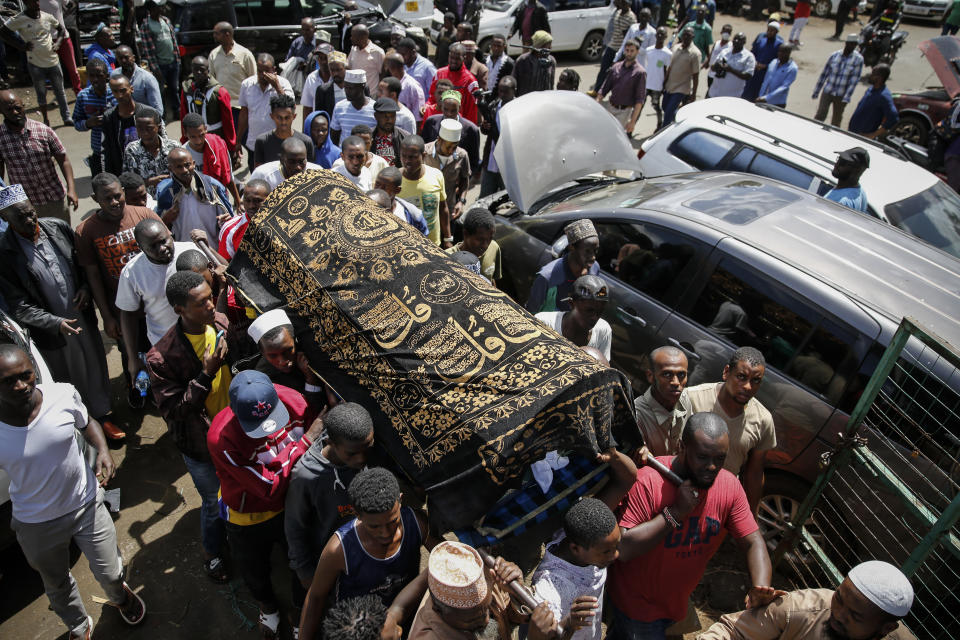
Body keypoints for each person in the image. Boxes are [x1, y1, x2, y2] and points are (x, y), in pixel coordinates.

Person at [0, 345, 146, 640]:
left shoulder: (61, 395)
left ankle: (120, 597)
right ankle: (79, 626)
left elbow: (87, 421)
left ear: (34, 370)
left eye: (26, 375)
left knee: (111, 572)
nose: (20, 386)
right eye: (7, 381)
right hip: (36, 523)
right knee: (55, 584)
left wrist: (102, 449)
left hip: (86, 504)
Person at [607, 413, 773, 639]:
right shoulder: (649, 481)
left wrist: (761, 587)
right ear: (682, 446)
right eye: (702, 457)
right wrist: (675, 513)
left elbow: (753, 541)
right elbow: (622, 549)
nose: (712, 466)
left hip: (676, 603)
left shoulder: (729, 486)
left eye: (720, 459)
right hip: (638, 606)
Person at [208, 369, 326, 640]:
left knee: (299, 562)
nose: (267, 432)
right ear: (235, 412)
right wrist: (305, 441)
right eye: (255, 425)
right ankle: (268, 607)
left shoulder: (295, 402)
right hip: (246, 515)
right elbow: (268, 488)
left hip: (291, 505)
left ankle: (299, 613)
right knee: (253, 568)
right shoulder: (221, 437)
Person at [0, 183, 122, 438]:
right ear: (5, 219)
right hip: (49, 328)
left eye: (31, 212)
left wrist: (87, 288)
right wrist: (53, 322)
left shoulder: (56, 227)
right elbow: (18, 305)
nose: (30, 219)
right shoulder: (5, 253)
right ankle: (80, 423)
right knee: (65, 374)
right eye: (20, 217)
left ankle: (103, 416)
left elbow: (85, 265)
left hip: (80, 313)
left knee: (94, 364)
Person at [145, 270, 234, 583]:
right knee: (214, 503)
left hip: (234, 433)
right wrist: (207, 374)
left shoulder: (220, 323)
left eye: (210, 297)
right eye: (201, 303)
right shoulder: (161, 358)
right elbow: (177, 412)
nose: (211, 306)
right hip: (201, 445)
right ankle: (212, 555)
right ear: (179, 309)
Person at [299, 467, 439, 640]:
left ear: (400, 500)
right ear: (357, 514)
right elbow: (315, 598)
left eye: (392, 521)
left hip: (402, 620)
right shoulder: (339, 550)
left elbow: (448, 556)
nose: (385, 532)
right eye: (374, 526)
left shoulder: (417, 524)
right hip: (359, 631)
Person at [530, 448, 638, 640]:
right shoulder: (550, 588)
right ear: (575, 549)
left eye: (615, 547)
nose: (615, 555)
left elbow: (626, 479)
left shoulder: (590, 528)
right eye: (606, 552)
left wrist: (614, 455)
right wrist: (568, 624)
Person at [75, 173, 162, 404]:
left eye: (117, 196)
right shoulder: (86, 231)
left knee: (159, 351)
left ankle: (159, 390)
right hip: (123, 311)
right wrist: (106, 316)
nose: (114, 202)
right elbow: (93, 276)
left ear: (123, 191)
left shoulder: (143, 215)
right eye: (107, 199)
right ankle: (141, 391)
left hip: (155, 304)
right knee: (133, 353)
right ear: (95, 199)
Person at [285, 402, 375, 619]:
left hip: (360, 549)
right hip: (325, 559)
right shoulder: (307, 476)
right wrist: (305, 572)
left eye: (367, 449)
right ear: (329, 443)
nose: (361, 459)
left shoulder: (360, 449)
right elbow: (295, 527)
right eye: (352, 454)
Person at [700, 560, 914, 640]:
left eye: (854, 616)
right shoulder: (799, 609)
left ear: (886, 628)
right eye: (838, 598)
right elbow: (732, 632)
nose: (837, 614)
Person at [407, 541, 559, 640]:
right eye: (472, 620)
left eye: (487, 609)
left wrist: (516, 594)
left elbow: (508, 617)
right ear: (438, 611)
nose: (486, 620)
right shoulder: (428, 636)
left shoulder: (479, 592)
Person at [685, 347, 775, 514]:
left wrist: (749, 516)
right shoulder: (692, 398)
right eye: (741, 377)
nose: (748, 386)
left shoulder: (763, 420)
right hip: (680, 486)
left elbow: (754, 474)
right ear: (727, 372)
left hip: (717, 504)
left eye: (756, 381)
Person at [115, 218, 194, 359]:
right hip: (165, 345)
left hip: (201, 335)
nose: (162, 249)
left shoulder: (191, 250)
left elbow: (223, 273)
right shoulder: (132, 273)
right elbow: (128, 315)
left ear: (169, 234)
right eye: (153, 246)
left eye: (163, 241)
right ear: (141, 248)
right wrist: (132, 359)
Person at [0, 89, 78, 222]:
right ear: (1, 112)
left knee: (63, 237)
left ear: (23, 106)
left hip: (55, 198)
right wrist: (3, 202)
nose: (15, 112)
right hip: (25, 205)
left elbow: (63, 159)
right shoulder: (1, 138)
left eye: (17, 108)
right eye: (9, 110)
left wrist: (72, 189)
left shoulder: (43, 130)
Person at [0, 0, 72, 127]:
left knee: (60, 91)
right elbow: (3, 32)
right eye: (33, 1)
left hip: (53, 61)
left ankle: (66, 118)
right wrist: (20, 46)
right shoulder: (19, 19)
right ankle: (46, 120)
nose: (37, 3)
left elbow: (61, 29)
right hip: (35, 64)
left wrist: (58, 43)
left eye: (37, 1)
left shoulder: (47, 16)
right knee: (41, 93)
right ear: (26, 3)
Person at [156, 147, 232, 242]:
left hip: (214, 249)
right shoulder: (167, 194)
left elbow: (230, 220)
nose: (184, 170)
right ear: (170, 168)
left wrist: (226, 220)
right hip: (185, 251)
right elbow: (160, 229)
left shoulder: (212, 186)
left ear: (194, 164)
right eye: (179, 167)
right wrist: (166, 219)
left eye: (187, 165)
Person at [526, 219, 601, 314]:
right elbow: (531, 312)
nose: (593, 257)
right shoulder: (547, 277)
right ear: (572, 247)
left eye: (596, 251)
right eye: (587, 251)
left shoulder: (595, 268)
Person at [238, 54, 295, 172]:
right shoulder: (247, 85)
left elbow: (291, 107)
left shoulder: (283, 84)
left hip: (278, 144)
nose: (262, 75)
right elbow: (244, 114)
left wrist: (277, 86)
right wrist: (237, 140)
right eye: (259, 71)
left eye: (266, 71)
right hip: (254, 144)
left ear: (274, 70)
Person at [535, 275, 613, 361]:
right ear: (571, 304)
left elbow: (603, 369)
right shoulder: (543, 323)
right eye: (589, 310)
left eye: (600, 311)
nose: (595, 317)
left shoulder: (603, 330)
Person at [101, 75, 165, 177]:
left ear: (131, 89)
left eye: (123, 91)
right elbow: (106, 151)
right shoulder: (109, 117)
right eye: (115, 91)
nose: (119, 95)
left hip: (152, 172)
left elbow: (164, 142)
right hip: (124, 174)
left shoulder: (149, 113)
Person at [635, 346, 691, 456]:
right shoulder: (637, 416)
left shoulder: (684, 399)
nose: (676, 382)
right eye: (667, 374)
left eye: (681, 375)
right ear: (650, 376)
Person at [209, 21, 257, 142]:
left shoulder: (245, 54)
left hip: (241, 108)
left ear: (227, 34)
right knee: (225, 141)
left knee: (245, 140)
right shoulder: (214, 55)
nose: (214, 36)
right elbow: (211, 80)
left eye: (217, 33)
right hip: (222, 107)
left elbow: (254, 80)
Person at [181, 113, 241, 208]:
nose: (198, 141)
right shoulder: (183, 154)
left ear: (205, 129)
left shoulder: (218, 146)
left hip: (219, 199)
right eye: (193, 137)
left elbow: (228, 177)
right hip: (196, 204)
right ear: (185, 133)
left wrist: (238, 202)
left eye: (201, 135)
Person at [179, 55, 237, 155]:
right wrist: (184, 139)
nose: (198, 73)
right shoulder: (187, 90)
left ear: (208, 70)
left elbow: (228, 122)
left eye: (202, 70)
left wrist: (231, 146)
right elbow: (183, 116)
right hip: (193, 139)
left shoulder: (219, 92)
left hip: (215, 138)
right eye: (195, 70)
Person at [400, 135, 450, 246]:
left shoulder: (436, 175)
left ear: (423, 156)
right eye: (404, 156)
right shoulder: (394, 180)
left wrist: (448, 238)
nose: (407, 161)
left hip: (433, 245)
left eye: (412, 157)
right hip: (406, 247)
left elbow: (443, 208)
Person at [421, 90, 481, 177]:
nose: (449, 114)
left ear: (460, 108)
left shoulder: (471, 130)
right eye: (446, 109)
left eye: (453, 110)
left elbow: (474, 162)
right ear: (441, 106)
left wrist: (462, 181)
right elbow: (423, 149)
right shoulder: (431, 122)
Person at [73, 59, 116, 177]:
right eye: (92, 76)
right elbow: (76, 122)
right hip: (98, 150)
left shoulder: (116, 93)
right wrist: (88, 123)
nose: (95, 79)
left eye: (99, 75)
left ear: (107, 76)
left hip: (117, 148)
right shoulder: (83, 96)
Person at [122, 109, 180, 196]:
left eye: (149, 128)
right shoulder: (131, 150)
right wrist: (149, 182)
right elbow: (128, 182)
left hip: (174, 200)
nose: (145, 133)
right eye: (140, 129)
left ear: (159, 127)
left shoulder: (174, 147)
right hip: (145, 202)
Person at [596, 38, 647, 137]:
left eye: (632, 51)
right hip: (610, 107)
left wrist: (632, 122)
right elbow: (605, 88)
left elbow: (639, 100)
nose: (629, 53)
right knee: (603, 133)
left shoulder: (640, 73)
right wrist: (597, 102)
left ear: (637, 51)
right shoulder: (616, 67)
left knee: (614, 136)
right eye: (627, 50)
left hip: (624, 112)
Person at [812, 35, 864, 126]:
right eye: (850, 44)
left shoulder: (858, 59)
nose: (852, 46)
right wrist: (817, 91)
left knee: (836, 119)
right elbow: (824, 74)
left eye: (854, 45)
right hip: (828, 90)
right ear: (846, 43)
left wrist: (847, 97)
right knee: (820, 115)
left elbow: (854, 81)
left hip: (841, 94)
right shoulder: (835, 55)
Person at [139, 0, 180, 117]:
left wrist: (177, 60)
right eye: (159, 7)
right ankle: (162, 115)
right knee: (160, 91)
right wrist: (155, 68)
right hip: (160, 65)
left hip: (173, 62)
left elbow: (173, 41)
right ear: (151, 9)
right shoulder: (146, 25)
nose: (161, 9)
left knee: (174, 88)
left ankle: (177, 111)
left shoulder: (166, 20)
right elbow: (148, 50)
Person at [424, 119, 469, 223]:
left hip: (449, 211)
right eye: (448, 147)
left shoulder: (462, 156)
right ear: (439, 140)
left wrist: (461, 202)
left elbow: (464, 180)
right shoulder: (424, 152)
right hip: (426, 211)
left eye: (455, 147)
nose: (451, 151)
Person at [479, 75, 516, 197]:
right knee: (485, 196)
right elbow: (485, 131)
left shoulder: (519, 110)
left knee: (508, 198)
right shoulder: (493, 107)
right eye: (500, 90)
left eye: (506, 91)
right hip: (491, 161)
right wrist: (484, 127)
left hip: (509, 164)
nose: (502, 94)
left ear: (514, 90)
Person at [254, 94, 314, 168]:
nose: (283, 122)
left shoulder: (306, 142)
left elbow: (310, 170)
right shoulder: (262, 141)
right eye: (279, 117)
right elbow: (258, 172)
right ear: (271, 116)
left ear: (294, 116)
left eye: (287, 118)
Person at [218, 178, 270, 261]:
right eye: (247, 200)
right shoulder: (230, 230)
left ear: (269, 200)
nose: (251, 206)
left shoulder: (282, 221)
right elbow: (226, 265)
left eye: (257, 201)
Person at [446, 208, 500, 285]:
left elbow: (491, 279)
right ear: (466, 234)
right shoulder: (447, 257)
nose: (485, 245)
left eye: (490, 239)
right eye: (480, 239)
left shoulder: (494, 248)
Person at [430, 43, 480, 125]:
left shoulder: (470, 81)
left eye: (457, 58)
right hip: (438, 121)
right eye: (451, 57)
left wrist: (466, 129)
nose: (453, 61)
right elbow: (432, 97)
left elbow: (472, 111)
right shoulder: (439, 73)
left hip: (458, 124)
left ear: (464, 58)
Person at [661, 27, 700, 128]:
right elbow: (670, 66)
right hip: (670, 85)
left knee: (668, 112)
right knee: (665, 107)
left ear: (693, 37)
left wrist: (694, 94)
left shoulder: (695, 53)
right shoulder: (675, 48)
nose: (686, 37)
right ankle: (679, 122)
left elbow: (696, 75)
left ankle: (662, 132)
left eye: (689, 35)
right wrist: (664, 81)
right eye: (685, 34)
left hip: (682, 88)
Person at [373, 166, 429, 235]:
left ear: (397, 190)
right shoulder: (364, 209)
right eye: (377, 184)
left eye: (385, 187)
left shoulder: (413, 215)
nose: (379, 189)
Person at [40, 0, 81, 93]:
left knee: (73, 69)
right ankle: (59, 95)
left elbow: (70, 4)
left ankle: (78, 91)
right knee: (53, 71)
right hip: (46, 40)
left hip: (63, 37)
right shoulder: (34, 2)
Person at [848, 64, 898, 139]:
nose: (870, 76)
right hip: (852, 132)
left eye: (873, 74)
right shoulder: (870, 89)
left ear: (879, 78)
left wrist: (873, 135)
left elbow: (893, 118)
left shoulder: (884, 96)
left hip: (863, 138)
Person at [330, 69, 377, 146]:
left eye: (351, 88)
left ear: (362, 86)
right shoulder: (339, 107)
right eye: (346, 88)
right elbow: (334, 136)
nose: (347, 92)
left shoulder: (375, 109)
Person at [113, 44, 163, 115]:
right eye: (120, 58)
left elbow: (158, 109)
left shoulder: (147, 78)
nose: (123, 61)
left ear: (133, 58)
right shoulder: (114, 75)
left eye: (126, 57)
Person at [742, 21, 783, 102]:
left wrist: (766, 66)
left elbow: (778, 61)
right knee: (747, 94)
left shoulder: (779, 44)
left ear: (776, 32)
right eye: (768, 30)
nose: (769, 32)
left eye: (772, 31)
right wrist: (755, 62)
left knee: (759, 94)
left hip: (765, 74)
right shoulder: (761, 40)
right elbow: (753, 53)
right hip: (754, 71)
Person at [707, 32, 754, 99]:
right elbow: (712, 67)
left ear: (744, 42)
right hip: (714, 92)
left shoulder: (748, 57)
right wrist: (717, 66)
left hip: (731, 96)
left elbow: (748, 75)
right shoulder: (725, 51)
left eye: (739, 39)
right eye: (735, 39)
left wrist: (731, 70)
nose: (736, 41)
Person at [824, 147, 869, 212]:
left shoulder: (841, 203)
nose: (837, 164)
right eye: (839, 159)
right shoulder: (860, 192)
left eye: (843, 163)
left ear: (856, 170)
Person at [306, 50, 347, 123]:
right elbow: (319, 116)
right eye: (332, 70)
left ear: (345, 69)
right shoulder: (323, 90)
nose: (335, 73)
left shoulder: (355, 87)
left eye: (338, 70)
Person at [643, 27, 671, 130]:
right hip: (646, 84)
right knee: (639, 106)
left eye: (662, 35)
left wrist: (664, 84)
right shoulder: (648, 50)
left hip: (657, 86)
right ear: (655, 35)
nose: (660, 36)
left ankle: (659, 124)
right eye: (658, 34)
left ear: (665, 37)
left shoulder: (667, 54)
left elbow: (667, 70)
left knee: (656, 106)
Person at [513, 31, 556, 97]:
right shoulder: (523, 60)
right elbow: (514, 82)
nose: (550, 47)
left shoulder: (551, 61)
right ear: (539, 46)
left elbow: (551, 83)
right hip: (525, 100)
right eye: (548, 45)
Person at [300, 42, 335, 121]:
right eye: (320, 58)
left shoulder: (339, 77)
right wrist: (305, 131)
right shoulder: (311, 78)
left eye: (326, 58)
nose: (323, 62)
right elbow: (307, 107)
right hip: (319, 126)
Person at [372, 97, 410, 168]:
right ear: (376, 116)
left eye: (392, 116)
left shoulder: (405, 137)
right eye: (385, 116)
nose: (389, 120)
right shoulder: (368, 137)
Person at [348, 24, 385, 96]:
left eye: (353, 36)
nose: (351, 38)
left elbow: (383, 75)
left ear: (362, 37)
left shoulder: (378, 52)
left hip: (372, 95)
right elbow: (348, 66)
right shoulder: (353, 49)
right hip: (355, 95)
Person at [398, 37, 438, 102]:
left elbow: (434, 92)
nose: (401, 57)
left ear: (413, 52)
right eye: (399, 54)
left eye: (404, 54)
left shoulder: (427, 67)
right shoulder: (401, 65)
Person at [756, 44, 796, 108]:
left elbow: (784, 87)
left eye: (783, 52)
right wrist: (761, 95)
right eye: (779, 51)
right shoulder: (773, 62)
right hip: (762, 99)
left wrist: (767, 98)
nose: (780, 53)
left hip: (777, 103)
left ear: (789, 53)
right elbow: (766, 80)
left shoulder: (792, 68)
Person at [704, 24, 732, 93]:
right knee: (709, 88)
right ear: (721, 32)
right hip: (711, 72)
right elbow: (711, 54)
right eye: (725, 31)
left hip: (719, 75)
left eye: (728, 32)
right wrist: (707, 63)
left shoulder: (731, 46)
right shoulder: (717, 43)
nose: (726, 34)